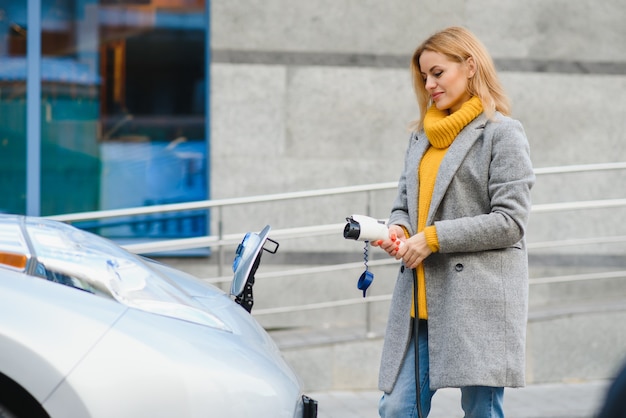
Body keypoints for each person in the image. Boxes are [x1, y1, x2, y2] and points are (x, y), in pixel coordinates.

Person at [372, 26, 535, 418]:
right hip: (421, 299)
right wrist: (399, 230)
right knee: (397, 409)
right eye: (424, 76)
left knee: (481, 412)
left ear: (470, 65)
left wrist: (433, 238)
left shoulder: (502, 134)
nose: (429, 84)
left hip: (479, 300)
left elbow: (510, 221)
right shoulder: (420, 138)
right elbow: (403, 205)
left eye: (437, 72)